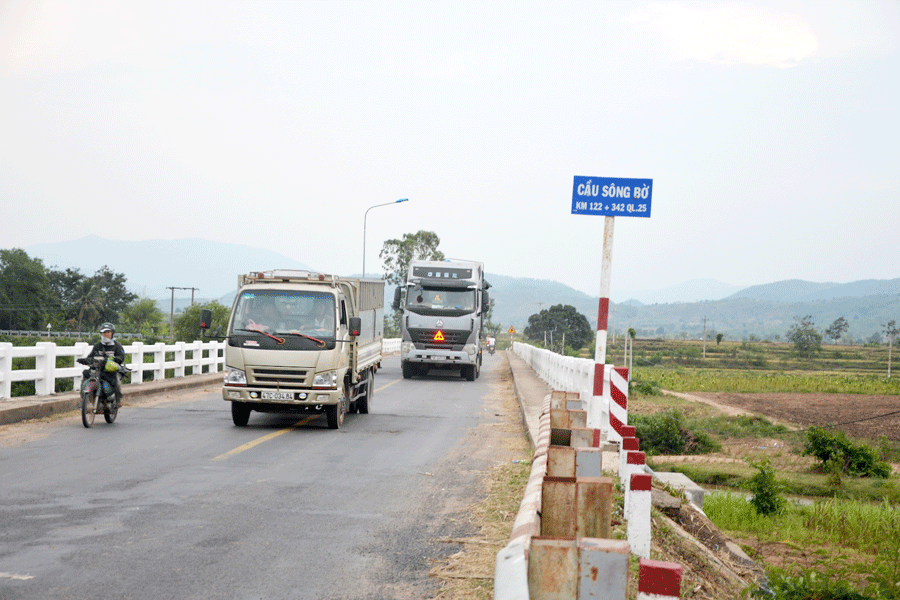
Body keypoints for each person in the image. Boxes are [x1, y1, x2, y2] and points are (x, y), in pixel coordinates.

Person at [82, 322, 126, 408]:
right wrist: (89, 360)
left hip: (111, 370)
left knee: (116, 381)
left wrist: (114, 359)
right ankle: (84, 400)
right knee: (86, 374)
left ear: (112, 333)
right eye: (104, 332)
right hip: (98, 370)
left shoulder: (117, 346)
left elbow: (121, 357)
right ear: (101, 334)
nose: (106, 334)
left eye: (108, 332)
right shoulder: (97, 346)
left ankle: (118, 400)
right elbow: (90, 356)